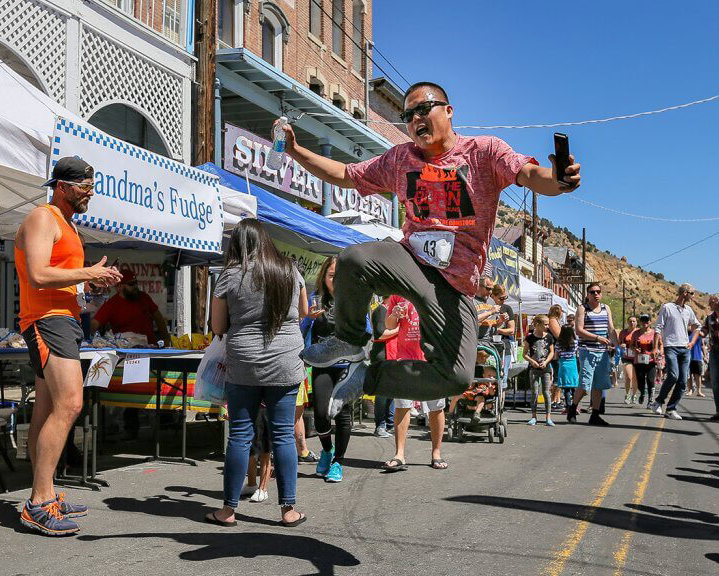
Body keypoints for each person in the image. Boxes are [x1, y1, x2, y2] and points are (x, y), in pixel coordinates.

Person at [287, 81, 580, 415]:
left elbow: (529, 174)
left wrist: (558, 180)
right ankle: (349, 341)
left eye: (423, 109)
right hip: (410, 259)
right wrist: (296, 151)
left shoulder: (484, 152)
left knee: (456, 377)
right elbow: (344, 173)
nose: (415, 119)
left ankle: (368, 376)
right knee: (353, 258)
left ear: (448, 111)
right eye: (408, 115)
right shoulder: (401, 159)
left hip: (454, 285)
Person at [14, 157, 123, 535]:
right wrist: (88, 272)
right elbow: (38, 274)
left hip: (64, 318)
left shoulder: (68, 226)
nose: (90, 193)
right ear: (62, 185)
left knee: (47, 409)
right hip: (46, 321)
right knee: (70, 404)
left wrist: (90, 283)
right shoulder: (42, 218)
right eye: (84, 186)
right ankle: (38, 502)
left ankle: (46, 493)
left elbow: (60, 277)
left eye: (93, 185)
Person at [206, 218, 308, 528]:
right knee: (283, 437)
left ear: (237, 244)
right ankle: (288, 511)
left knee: (239, 435)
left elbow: (218, 327)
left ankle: (227, 511)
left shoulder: (230, 276)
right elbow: (303, 312)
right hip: (286, 363)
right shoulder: (290, 269)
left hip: (244, 364)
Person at [91, 268, 171, 438]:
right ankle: (129, 426)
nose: (136, 287)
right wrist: (90, 339)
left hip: (150, 350)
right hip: (126, 355)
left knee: (153, 386)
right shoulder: (111, 304)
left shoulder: (144, 298)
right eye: (131, 284)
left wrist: (166, 339)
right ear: (119, 287)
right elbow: (94, 323)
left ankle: (162, 421)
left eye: (136, 283)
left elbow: (158, 318)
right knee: (131, 389)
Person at [303, 257, 356, 483]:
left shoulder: (355, 300)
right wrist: (308, 318)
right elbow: (301, 328)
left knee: (343, 415)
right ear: (324, 278)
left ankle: (338, 463)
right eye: (332, 275)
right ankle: (327, 450)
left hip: (346, 365)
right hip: (322, 364)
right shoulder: (315, 300)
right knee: (322, 415)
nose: (336, 280)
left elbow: (366, 329)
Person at [383, 294, 448, 471]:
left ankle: (436, 453)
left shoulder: (433, 288)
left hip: (433, 357)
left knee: (437, 407)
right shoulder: (397, 293)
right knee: (402, 405)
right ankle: (399, 454)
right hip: (405, 358)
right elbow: (389, 326)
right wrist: (394, 315)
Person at [649, 284, 700, 420]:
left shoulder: (688, 310)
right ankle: (658, 401)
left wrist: (692, 342)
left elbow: (697, 327)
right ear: (684, 293)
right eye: (692, 293)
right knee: (673, 375)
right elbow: (658, 328)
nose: (693, 296)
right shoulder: (667, 307)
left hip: (685, 348)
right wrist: (655, 347)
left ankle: (671, 409)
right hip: (670, 346)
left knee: (683, 381)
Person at [569, 282, 617, 426]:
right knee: (584, 384)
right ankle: (572, 409)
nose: (596, 294)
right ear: (587, 295)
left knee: (599, 384)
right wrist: (597, 338)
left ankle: (595, 415)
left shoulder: (605, 308)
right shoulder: (582, 309)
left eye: (598, 291)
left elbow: (611, 327)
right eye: (592, 292)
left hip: (602, 352)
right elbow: (578, 330)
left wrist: (616, 343)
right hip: (587, 350)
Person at [370, 298, 397, 438]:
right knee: (382, 393)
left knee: (391, 393)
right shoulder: (381, 310)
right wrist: (400, 329)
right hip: (382, 356)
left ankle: (389, 424)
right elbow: (381, 333)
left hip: (391, 355)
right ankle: (380, 425)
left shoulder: (391, 311)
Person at [524, 315, 555, 426]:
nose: (547, 326)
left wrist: (546, 362)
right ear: (537, 324)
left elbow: (552, 352)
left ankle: (548, 417)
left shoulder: (549, 337)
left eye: (548, 324)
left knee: (547, 392)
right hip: (534, 368)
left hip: (546, 369)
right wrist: (532, 362)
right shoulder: (529, 338)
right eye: (545, 324)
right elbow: (525, 354)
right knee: (535, 393)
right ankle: (533, 416)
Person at [490, 284, 518, 390]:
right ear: (492, 296)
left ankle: (501, 403)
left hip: (504, 346)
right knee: (489, 375)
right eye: (501, 298)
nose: (503, 301)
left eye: (505, 298)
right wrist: (498, 323)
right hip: (489, 345)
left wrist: (497, 330)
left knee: (503, 376)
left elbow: (511, 330)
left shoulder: (507, 308)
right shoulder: (487, 308)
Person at [632, 313, 659, 405]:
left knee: (651, 381)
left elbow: (661, 345)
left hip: (651, 361)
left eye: (647, 320)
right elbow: (631, 345)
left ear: (650, 322)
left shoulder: (655, 333)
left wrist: (658, 352)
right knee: (640, 382)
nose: (645, 322)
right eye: (642, 320)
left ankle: (650, 400)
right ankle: (643, 393)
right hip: (639, 361)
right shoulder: (636, 333)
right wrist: (634, 349)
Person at [554, 325, 579, 408]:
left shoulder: (559, 343)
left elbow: (556, 356)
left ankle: (568, 406)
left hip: (563, 364)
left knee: (566, 388)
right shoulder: (575, 342)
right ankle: (575, 406)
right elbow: (577, 353)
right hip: (573, 364)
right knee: (574, 386)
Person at [547, 304, 565, 409]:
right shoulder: (553, 320)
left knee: (559, 376)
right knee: (557, 376)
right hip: (555, 352)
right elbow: (559, 336)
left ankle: (557, 399)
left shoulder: (554, 320)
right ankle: (554, 400)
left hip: (557, 351)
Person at [619, 316, 638, 404]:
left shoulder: (639, 332)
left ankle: (634, 395)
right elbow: (619, 343)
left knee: (635, 378)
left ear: (636, 322)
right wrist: (621, 345)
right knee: (628, 377)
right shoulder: (623, 332)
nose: (632, 323)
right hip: (626, 357)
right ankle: (627, 394)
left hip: (637, 358)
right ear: (627, 322)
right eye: (630, 321)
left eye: (634, 321)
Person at [687, 321, 705, 397]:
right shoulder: (687, 333)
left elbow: (703, 344)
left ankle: (699, 391)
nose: (692, 326)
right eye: (691, 325)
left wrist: (705, 355)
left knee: (698, 375)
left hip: (697, 356)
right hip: (688, 356)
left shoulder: (699, 333)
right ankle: (690, 390)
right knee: (689, 374)